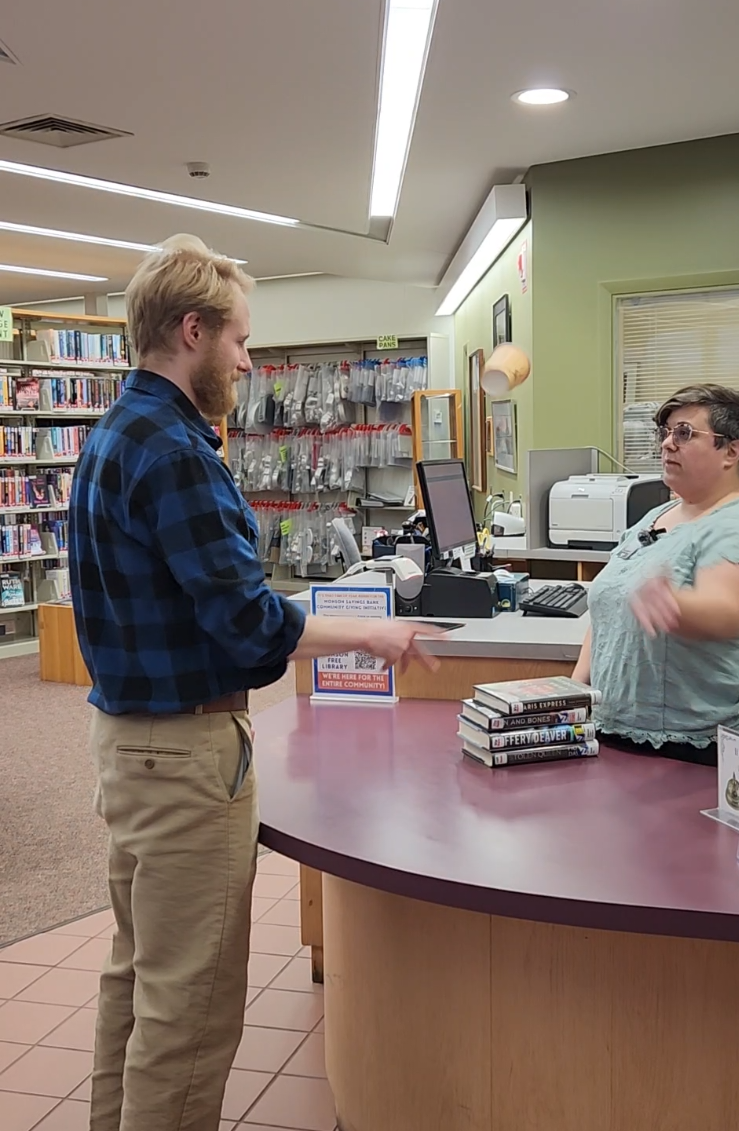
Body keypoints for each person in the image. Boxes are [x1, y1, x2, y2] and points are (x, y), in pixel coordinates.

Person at [68, 234, 443, 1131]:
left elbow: (200, 593)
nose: (248, 360)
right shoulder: (178, 451)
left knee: (141, 977)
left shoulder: (118, 432)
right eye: (239, 340)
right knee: (190, 1011)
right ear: (191, 330)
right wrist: (370, 630)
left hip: (129, 744)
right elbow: (243, 621)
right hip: (186, 755)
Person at [572, 383, 739, 765]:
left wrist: (674, 604)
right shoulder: (656, 517)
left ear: (732, 451)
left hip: (719, 745)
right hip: (627, 732)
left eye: (684, 433)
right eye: (665, 433)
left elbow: (729, 611)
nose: (668, 443)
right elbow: (607, 612)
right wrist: (574, 690)